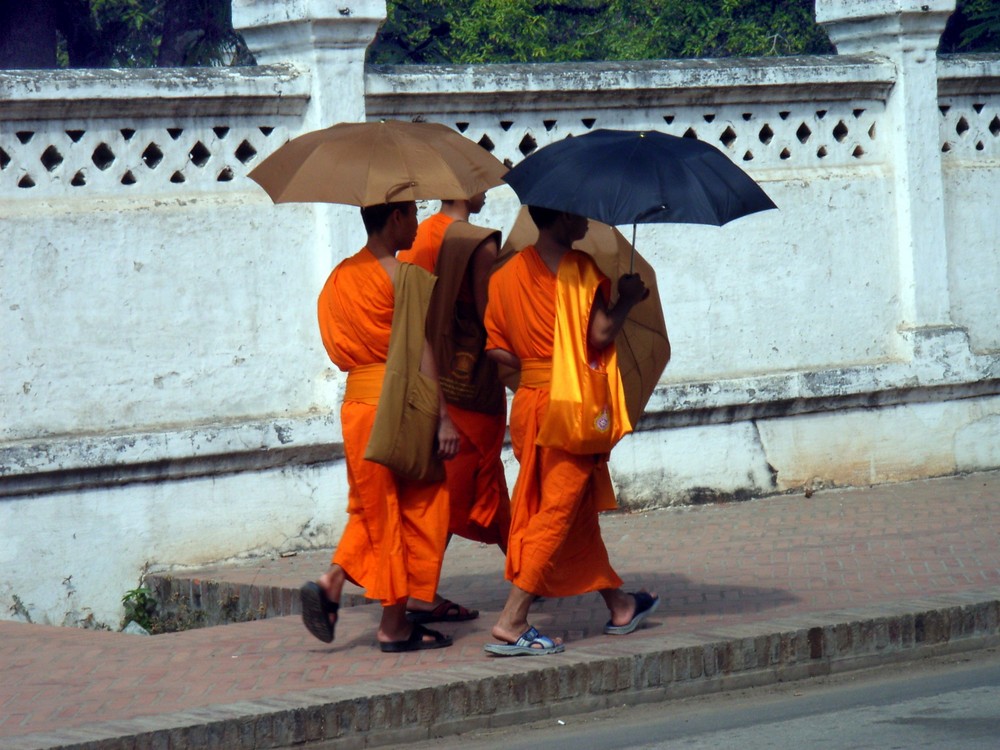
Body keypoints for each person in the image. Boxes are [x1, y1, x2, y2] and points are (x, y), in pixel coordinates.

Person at [481, 205, 659, 656]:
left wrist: (539, 366)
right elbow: (600, 334)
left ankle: (619, 606)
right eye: (579, 214)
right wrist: (626, 300)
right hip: (569, 406)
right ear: (560, 218)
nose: (587, 222)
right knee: (555, 512)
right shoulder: (579, 269)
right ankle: (512, 619)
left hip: (529, 405)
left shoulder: (505, 277)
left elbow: (497, 351)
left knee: (571, 509)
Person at [300, 200, 461, 652]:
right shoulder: (402, 276)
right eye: (413, 215)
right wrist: (443, 418)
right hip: (399, 404)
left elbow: (334, 346)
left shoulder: (338, 278)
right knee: (416, 507)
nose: (417, 224)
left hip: (356, 405)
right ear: (395, 219)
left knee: (373, 507)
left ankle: (332, 581)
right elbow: (421, 352)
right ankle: (393, 624)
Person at [396, 192, 512, 625]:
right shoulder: (480, 242)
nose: (485, 192)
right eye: (480, 183)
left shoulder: (419, 236)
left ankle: (532, 571)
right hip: (471, 380)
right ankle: (418, 591)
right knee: (461, 483)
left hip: (428, 372)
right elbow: (489, 317)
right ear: (465, 188)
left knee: (478, 483)